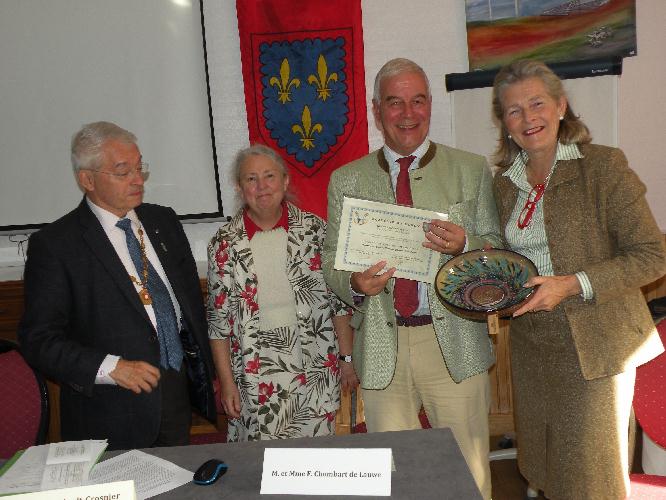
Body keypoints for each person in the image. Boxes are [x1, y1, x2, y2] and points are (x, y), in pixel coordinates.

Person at [322, 58, 502, 500]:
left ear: (430, 106)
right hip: (384, 344)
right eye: (395, 102)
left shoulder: (470, 168)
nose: (407, 113)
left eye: (417, 101)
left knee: (469, 470)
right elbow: (331, 261)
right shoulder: (347, 180)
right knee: (396, 477)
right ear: (376, 111)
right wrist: (354, 285)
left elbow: (498, 251)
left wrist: (465, 242)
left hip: (455, 344)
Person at [490, 59, 666, 500]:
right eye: (514, 110)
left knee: (592, 480)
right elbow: (510, 262)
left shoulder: (602, 167)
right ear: (505, 124)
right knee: (545, 470)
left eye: (537, 103)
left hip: (597, 348)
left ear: (561, 106)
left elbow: (652, 255)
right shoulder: (504, 184)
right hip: (533, 351)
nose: (529, 118)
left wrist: (572, 284)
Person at [18, 121, 215, 450]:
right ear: (87, 180)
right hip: (109, 410)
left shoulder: (163, 221)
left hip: (175, 392)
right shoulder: (56, 245)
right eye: (123, 171)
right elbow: (39, 340)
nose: (138, 179)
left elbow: (190, 306)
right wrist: (110, 367)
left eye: (140, 167)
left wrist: (209, 374)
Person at [207, 144, 358, 442]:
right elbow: (218, 323)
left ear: (285, 181)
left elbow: (338, 305)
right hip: (255, 375)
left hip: (315, 367)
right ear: (240, 187)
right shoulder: (223, 244)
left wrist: (347, 359)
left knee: (318, 462)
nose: (261, 186)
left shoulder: (316, 231)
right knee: (265, 467)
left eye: (269, 176)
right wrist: (227, 384)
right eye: (251, 179)